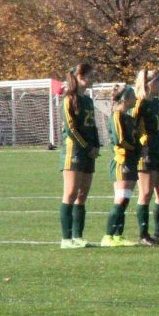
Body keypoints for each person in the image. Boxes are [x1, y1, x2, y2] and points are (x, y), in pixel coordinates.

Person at [59, 62, 99, 248]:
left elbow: (93, 126)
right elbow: (71, 129)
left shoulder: (88, 101)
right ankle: (66, 239)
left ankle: (78, 236)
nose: (93, 80)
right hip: (74, 152)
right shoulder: (69, 99)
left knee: (82, 195)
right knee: (70, 193)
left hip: (89, 152)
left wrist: (96, 146)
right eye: (91, 76)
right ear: (80, 77)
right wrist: (86, 147)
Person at [134, 68, 159, 245]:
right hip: (146, 152)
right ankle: (143, 234)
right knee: (146, 193)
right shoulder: (139, 104)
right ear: (152, 83)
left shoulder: (155, 102)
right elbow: (132, 127)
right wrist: (141, 144)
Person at [103, 84, 138, 247]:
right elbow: (120, 140)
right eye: (133, 96)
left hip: (131, 161)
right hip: (121, 161)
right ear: (125, 98)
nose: (136, 99)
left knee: (126, 199)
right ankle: (107, 236)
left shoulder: (130, 118)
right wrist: (137, 149)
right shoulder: (117, 115)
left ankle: (118, 235)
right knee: (121, 197)